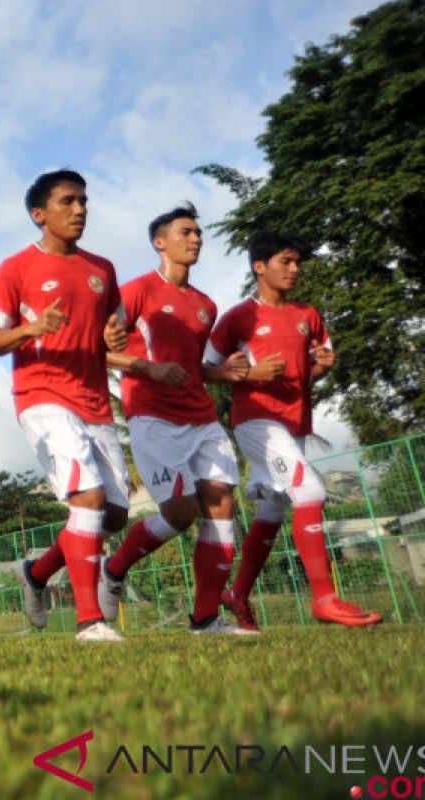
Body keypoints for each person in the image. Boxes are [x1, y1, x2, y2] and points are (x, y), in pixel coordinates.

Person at [0, 169, 131, 642]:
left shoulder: (102, 269)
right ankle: (90, 621)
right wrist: (31, 329)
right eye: (67, 201)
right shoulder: (15, 268)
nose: (80, 209)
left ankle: (37, 573)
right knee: (86, 495)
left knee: (115, 515)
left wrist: (115, 338)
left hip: (95, 402)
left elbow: (114, 331)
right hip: (41, 396)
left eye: (83, 201)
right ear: (39, 214)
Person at [207, 230, 382, 630]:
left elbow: (314, 367)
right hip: (255, 421)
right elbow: (206, 370)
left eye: (297, 262)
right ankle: (324, 598)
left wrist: (321, 366)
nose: (294, 269)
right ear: (259, 267)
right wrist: (250, 372)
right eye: (285, 261)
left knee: (272, 508)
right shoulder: (238, 318)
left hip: (295, 422)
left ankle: (236, 594)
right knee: (311, 490)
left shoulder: (309, 316)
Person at [96, 204, 255, 635]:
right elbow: (96, 349)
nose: (196, 239)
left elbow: (189, 364)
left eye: (199, 233)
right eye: (186, 232)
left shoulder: (206, 305)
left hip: (202, 418)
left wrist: (219, 373)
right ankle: (114, 567)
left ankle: (204, 619)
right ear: (159, 241)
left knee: (221, 509)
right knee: (182, 511)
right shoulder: (136, 291)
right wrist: (145, 368)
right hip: (152, 417)